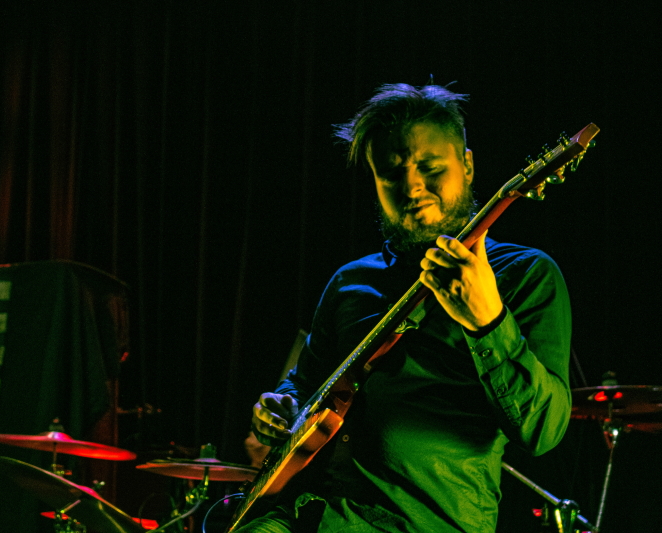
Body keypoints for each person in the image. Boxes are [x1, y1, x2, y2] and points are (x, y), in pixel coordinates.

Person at [244, 83, 572, 532]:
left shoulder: (525, 274)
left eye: (431, 167)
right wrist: (281, 406)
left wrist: (488, 322)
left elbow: (544, 431)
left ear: (468, 165)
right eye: (392, 174)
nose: (413, 186)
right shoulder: (349, 282)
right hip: (304, 512)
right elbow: (304, 384)